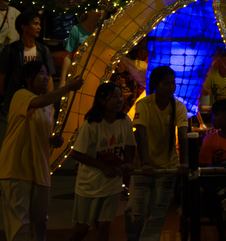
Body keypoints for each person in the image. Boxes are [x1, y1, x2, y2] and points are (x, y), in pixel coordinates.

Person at [0, 60, 84, 241]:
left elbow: (39, 132)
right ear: (28, 79)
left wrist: (52, 139)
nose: (46, 78)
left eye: (47, 74)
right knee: (19, 222)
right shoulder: (21, 95)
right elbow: (40, 100)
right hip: (17, 167)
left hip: (40, 169)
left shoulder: (49, 108)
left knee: (40, 221)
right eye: (42, 74)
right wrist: (68, 88)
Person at [126, 65, 189, 241]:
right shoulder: (144, 104)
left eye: (173, 83)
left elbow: (183, 136)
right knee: (135, 212)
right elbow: (140, 131)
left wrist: (183, 162)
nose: (171, 87)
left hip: (167, 168)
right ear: (156, 85)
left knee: (158, 213)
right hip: (143, 168)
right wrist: (145, 162)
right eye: (166, 83)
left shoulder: (179, 107)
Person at [70, 83, 135, 241]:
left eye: (120, 96)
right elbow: (76, 153)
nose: (119, 100)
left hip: (112, 183)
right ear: (102, 100)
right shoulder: (91, 125)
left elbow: (130, 145)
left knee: (104, 225)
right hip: (89, 184)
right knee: (82, 228)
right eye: (114, 96)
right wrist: (104, 166)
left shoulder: (125, 120)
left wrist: (127, 165)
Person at [0, 10, 55, 123]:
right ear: (23, 27)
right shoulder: (10, 51)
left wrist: (49, 103)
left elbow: (49, 78)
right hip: (16, 101)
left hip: (38, 102)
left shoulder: (43, 51)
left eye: (39, 24)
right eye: (35, 24)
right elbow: (0, 78)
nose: (39, 27)